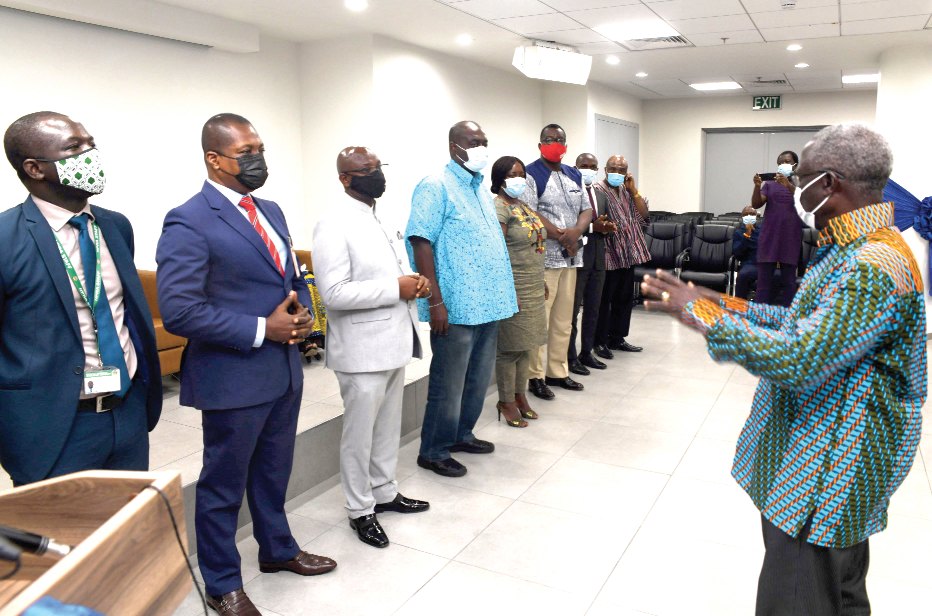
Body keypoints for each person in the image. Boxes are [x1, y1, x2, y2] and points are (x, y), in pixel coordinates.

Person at [641, 122, 925, 615]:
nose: (795, 190)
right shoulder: (858, 246)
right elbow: (804, 325)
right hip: (836, 464)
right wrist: (726, 304)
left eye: (804, 179)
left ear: (830, 184)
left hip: (828, 469)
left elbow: (800, 357)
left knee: (797, 599)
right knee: (841, 593)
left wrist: (701, 314)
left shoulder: (870, 263)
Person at [156, 113, 336, 616]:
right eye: (246, 152)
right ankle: (222, 582)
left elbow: (290, 276)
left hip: (282, 370)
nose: (258, 159)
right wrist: (263, 329)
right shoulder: (189, 218)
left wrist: (301, 312)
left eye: (260, 148)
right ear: (214, 159)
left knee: (274, 470)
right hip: (232, 375)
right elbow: (180, 310)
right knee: (223, 484)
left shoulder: (271, 209)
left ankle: (277, 549)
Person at [0, 112, 161, 487]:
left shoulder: (115, 225)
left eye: (91, 144)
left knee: (127, 532)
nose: (90, 153)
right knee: (66, 543)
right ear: (34, 168)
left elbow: (125, 316)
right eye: (74, 147)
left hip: (127, 412)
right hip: (52, 427)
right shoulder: (5, 239)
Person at [313, 146, 430, 549]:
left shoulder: (381, 218)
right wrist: (394, 288)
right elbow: (334, 293)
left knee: (387, 428)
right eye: (365, 169)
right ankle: (359, 509)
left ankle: (384, 492)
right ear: (345, 178)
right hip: (361, 349)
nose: (376, 174)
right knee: (359, 435)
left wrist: (414, 283)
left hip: (394, 338)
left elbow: (392, 275)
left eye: (378, 167)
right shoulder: (333, 223)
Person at [406, 121, 517, 478]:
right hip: (455, 305)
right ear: (455, 146)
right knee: (448, 382)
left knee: (477, 378)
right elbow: (421, 240)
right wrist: (435, 301)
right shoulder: (435, 186)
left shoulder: (481, 190)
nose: (482, 148)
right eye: (474, 142)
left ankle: (461, 435)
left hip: (490, 302)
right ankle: (434, 450)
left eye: (485, 142)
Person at [522, 124, 593, 400]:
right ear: (540, 144)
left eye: (560, 140)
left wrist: (576, 232)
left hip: (572, 258)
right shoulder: (530, 174)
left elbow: (586, 208)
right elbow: (530, 212)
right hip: (545, 258)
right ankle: (535, 376)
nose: (555, 144)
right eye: (549, 140)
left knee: (564, 319)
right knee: (542, 319)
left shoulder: (574, 174)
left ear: (566, 144)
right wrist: (560, 235)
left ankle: (558, 371)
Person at [490, 155, 547, 428]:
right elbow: (497, 251)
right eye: (513, 174)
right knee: (510, 349)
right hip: (513, 285)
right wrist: (507, 288)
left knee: (526, 346)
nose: (519, 179)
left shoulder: (522, 205)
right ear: (500, 179)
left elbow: (535, 244)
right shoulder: (499, 207)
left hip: (533, 282)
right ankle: (505, 401)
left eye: (522, 174)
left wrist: (541, 279)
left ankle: (520, 396)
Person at [593, 155, 649, 360]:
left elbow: (644, 215)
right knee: (604, 300)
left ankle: (617, 338)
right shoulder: (597, 190)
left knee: (624, 299)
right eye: (613, 169)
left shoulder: (628, 191)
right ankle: (599, 341)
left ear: (627, 172)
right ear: (606, 170)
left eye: (622, 169)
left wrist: (634, 191)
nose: (617, 173)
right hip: (608, 253)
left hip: (629, 252)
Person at [568, 153, 615, 376]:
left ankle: (586, 352)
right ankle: (569, 357)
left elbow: (602, 223)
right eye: (584, 166)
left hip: (598, 259)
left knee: (593, 309)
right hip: (577, 259)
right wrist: (593, 228)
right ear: (575, 168)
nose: (589, 169)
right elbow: (568, 225)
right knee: (572, 312)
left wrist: (606, 227)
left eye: (593, 166)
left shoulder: (600, 195)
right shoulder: (569, 194)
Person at [752, 150, 804, 307]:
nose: (784, 165)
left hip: (790, 237)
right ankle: (759, 317)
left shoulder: (802, 184)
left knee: (789, 283)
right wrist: (757, 186)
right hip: (769, 237)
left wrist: (788, 185)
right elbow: (756, 204)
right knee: (763, 283)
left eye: (787, 162)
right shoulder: (769, 184)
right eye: (781, 162)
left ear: (795, 165)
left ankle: (787, 319)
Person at [733, 205, 765, 300]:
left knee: (778, 275)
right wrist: (747, 235)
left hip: (767, 263)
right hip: (750, 264)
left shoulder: (765, 230)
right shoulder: (739, 233)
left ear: (757, 217)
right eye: (746, 214)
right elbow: (738, 254)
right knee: (743, 276)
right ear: (742, 218)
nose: (749, 216)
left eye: (752, 214)